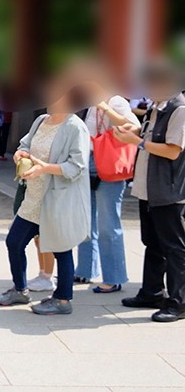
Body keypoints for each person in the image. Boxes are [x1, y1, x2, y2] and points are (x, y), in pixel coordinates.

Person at [0, 81, 90, 315]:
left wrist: (45, 168)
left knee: (61, 249)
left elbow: (77, 166)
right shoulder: (40, 121)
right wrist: (21, 153)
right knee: (14, 242)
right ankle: (20, 289)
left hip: (57, 200)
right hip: (33, 197)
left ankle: (63, 300)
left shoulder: (75, 127)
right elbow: (26, 143)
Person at [114, 60, 185, 322]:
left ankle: (178, 302)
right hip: (148, 189)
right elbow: (149, 136)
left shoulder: (179, 110)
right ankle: (152, 292)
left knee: (175, 248)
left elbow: (172, 150)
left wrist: (137, 142)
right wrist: (133, 132)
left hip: (169, 191)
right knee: (153, 243)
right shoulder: (157, 108)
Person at [74, 86, 139, 293]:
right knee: (86, 221)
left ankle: (113, 277)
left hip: (109, 163)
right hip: (88, 162)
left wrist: (105, 108)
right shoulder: (89, 104)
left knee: (108, 224)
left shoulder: (116, 100)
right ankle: (85, 270)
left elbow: (134, 127)